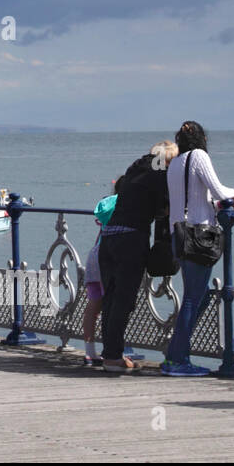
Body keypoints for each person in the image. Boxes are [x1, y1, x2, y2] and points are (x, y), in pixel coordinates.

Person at [163, 121, 234, 377]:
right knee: (192, 299)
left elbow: (194, 196)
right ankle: (178, 359)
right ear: (202, 139)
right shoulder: (199, 156)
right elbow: (219, 191)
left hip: (179, 235)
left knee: (194, 296)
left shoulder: (175, 163)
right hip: (199, 235)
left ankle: (174, 355)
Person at [98, 140, 178, 373]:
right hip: (131, 239)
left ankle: (110, 354)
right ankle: (113, 357)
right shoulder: (162, 173)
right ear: (169, 159)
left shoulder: (136, 167)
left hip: (109, 236)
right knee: (124, 299)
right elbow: (166, 205)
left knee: (111, 298)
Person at [81, 193, 116, 367]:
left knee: (93, 306)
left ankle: (89, 351)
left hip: (94, 256)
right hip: (108, 258)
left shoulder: (105, 214)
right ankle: (113, 349)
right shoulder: (122, 208)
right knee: (112, 305)